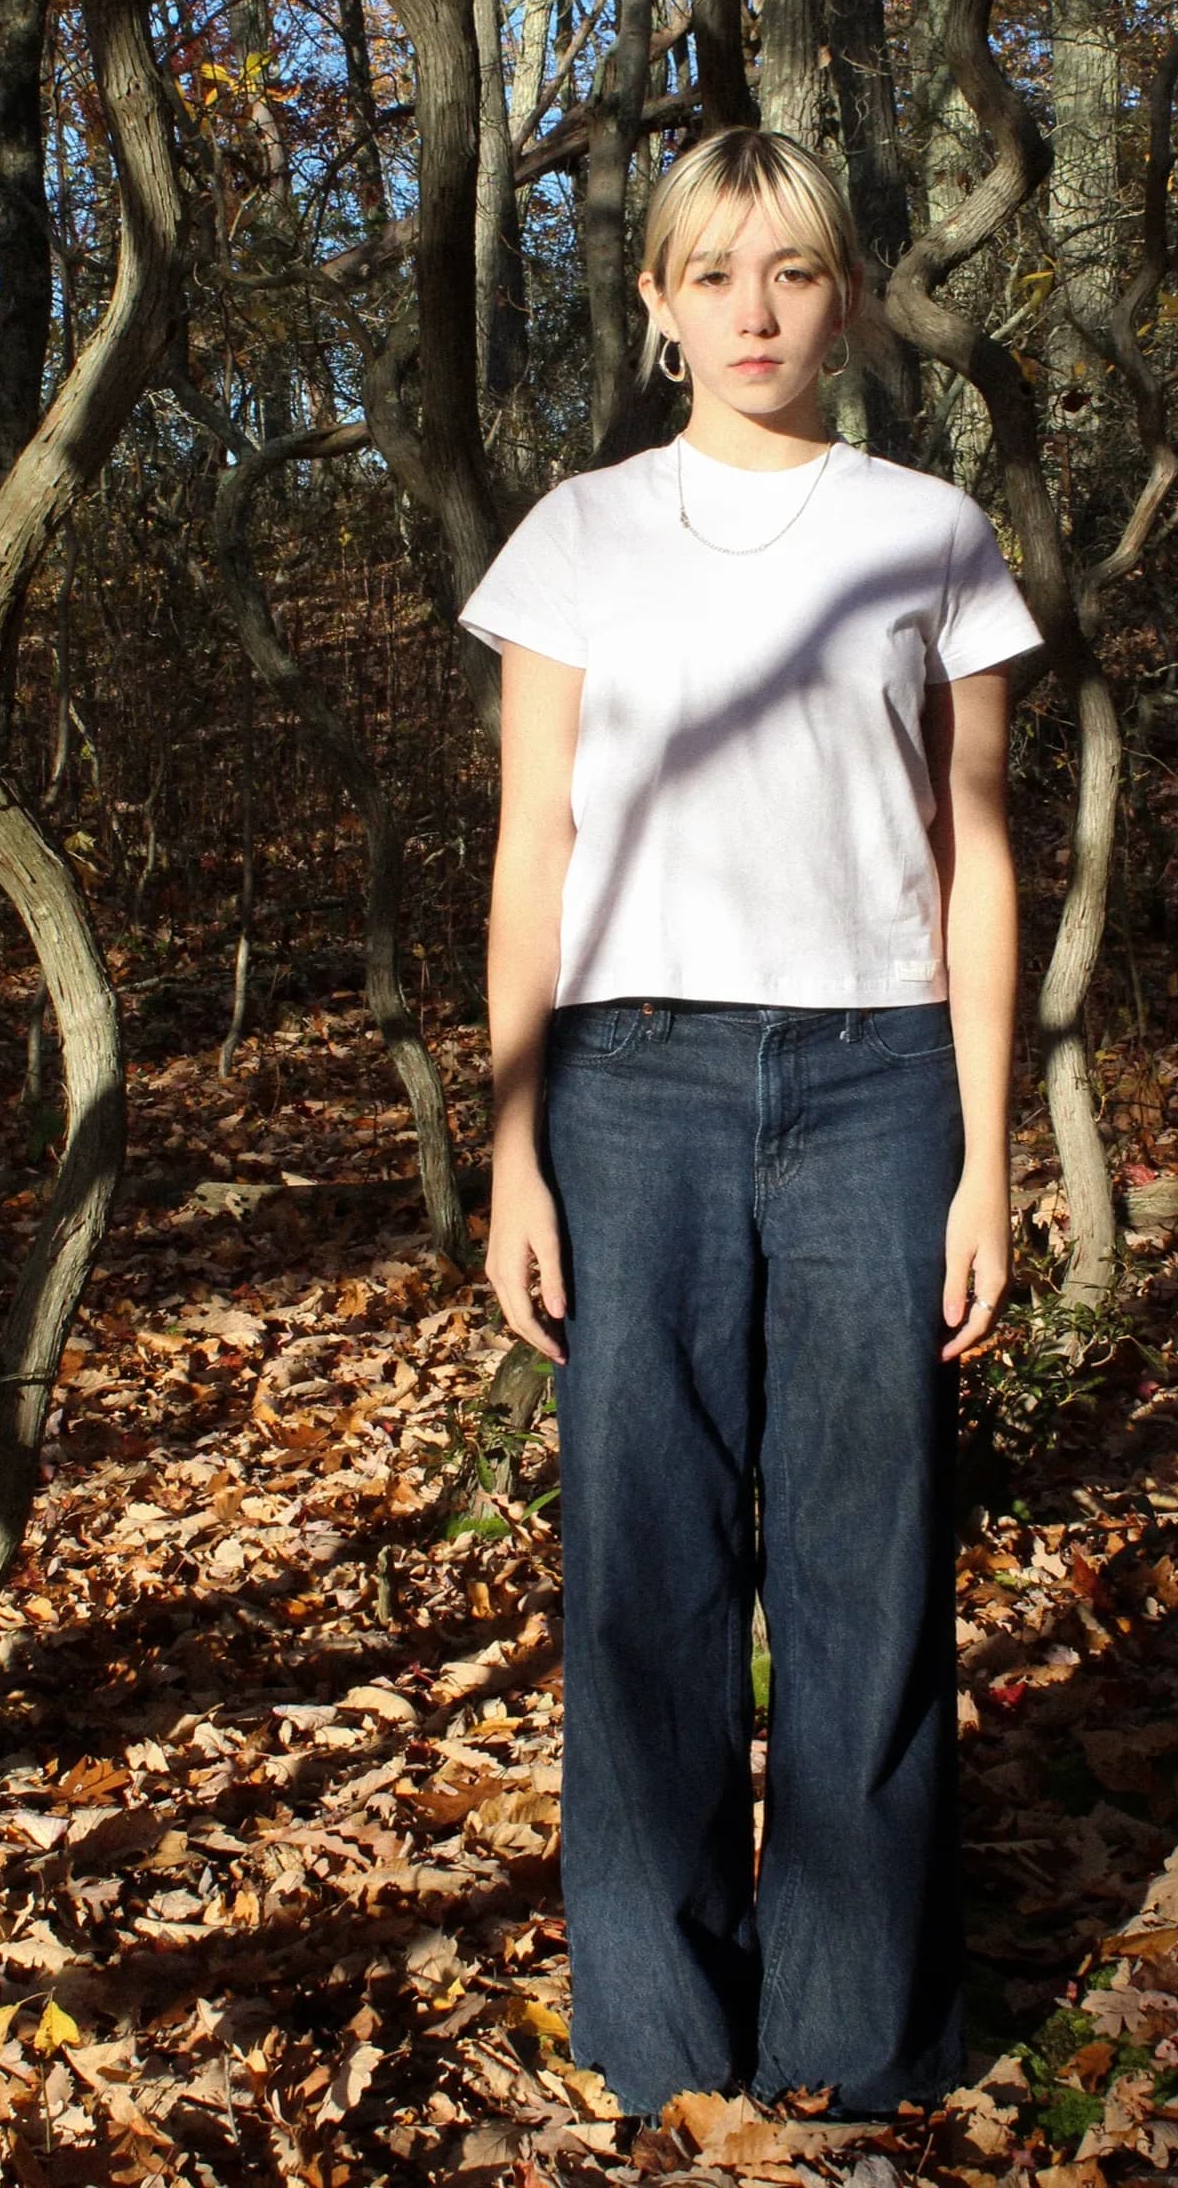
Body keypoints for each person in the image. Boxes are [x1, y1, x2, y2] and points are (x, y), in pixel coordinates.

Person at [458, 126, 1042, 2121]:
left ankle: (855, 2053)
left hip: (881, 1085)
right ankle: (658, 2046)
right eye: (712, 275)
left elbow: (974, 850)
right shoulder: (576, 537)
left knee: (871, 1573)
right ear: (653, 304)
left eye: (790, 272)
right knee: (646, 1574)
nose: (754, 315)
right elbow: (532, 845)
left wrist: (986, 1148)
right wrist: (512, 1144)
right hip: (634, 1089)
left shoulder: (927, 533)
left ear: (845, 296)